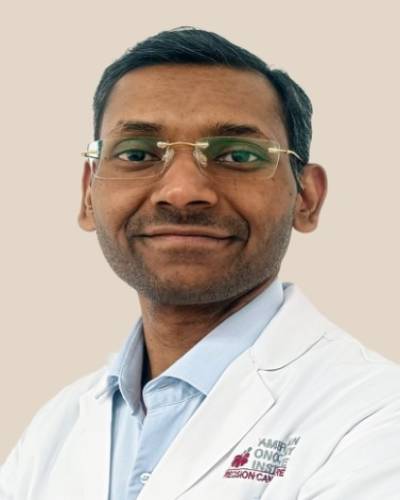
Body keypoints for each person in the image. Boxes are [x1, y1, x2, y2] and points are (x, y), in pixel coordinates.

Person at [1, 27, 399, 500]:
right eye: (137, 154)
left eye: (237, 155)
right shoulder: (54, 429)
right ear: (89, 195)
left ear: (306, 199)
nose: (182, 191)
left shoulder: (376, 418)